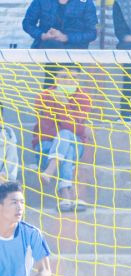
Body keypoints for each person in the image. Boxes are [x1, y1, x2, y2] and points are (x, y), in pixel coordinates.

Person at [32, 65, 93, 213]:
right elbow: (46, 129)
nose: (69, 81)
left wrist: (62, 105)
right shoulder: (43, 96)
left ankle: (51, 173)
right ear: (56, 78)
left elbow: (70, 127)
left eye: (74, 77)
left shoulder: (84, 98)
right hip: (45, 145)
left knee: (65, 136)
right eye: (64, 77)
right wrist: (77, 127)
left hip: (74, 143)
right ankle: (69, 195)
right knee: (66, 144)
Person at [22, 0, 98, 88]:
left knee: (68, 91)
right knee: (52, 44)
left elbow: (92, 33)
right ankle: (51, 94)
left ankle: (57, 92)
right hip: (48, 50)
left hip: (73, 52)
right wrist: (43, 35)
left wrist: (66, 37)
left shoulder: (85, 1)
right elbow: (27, 23)